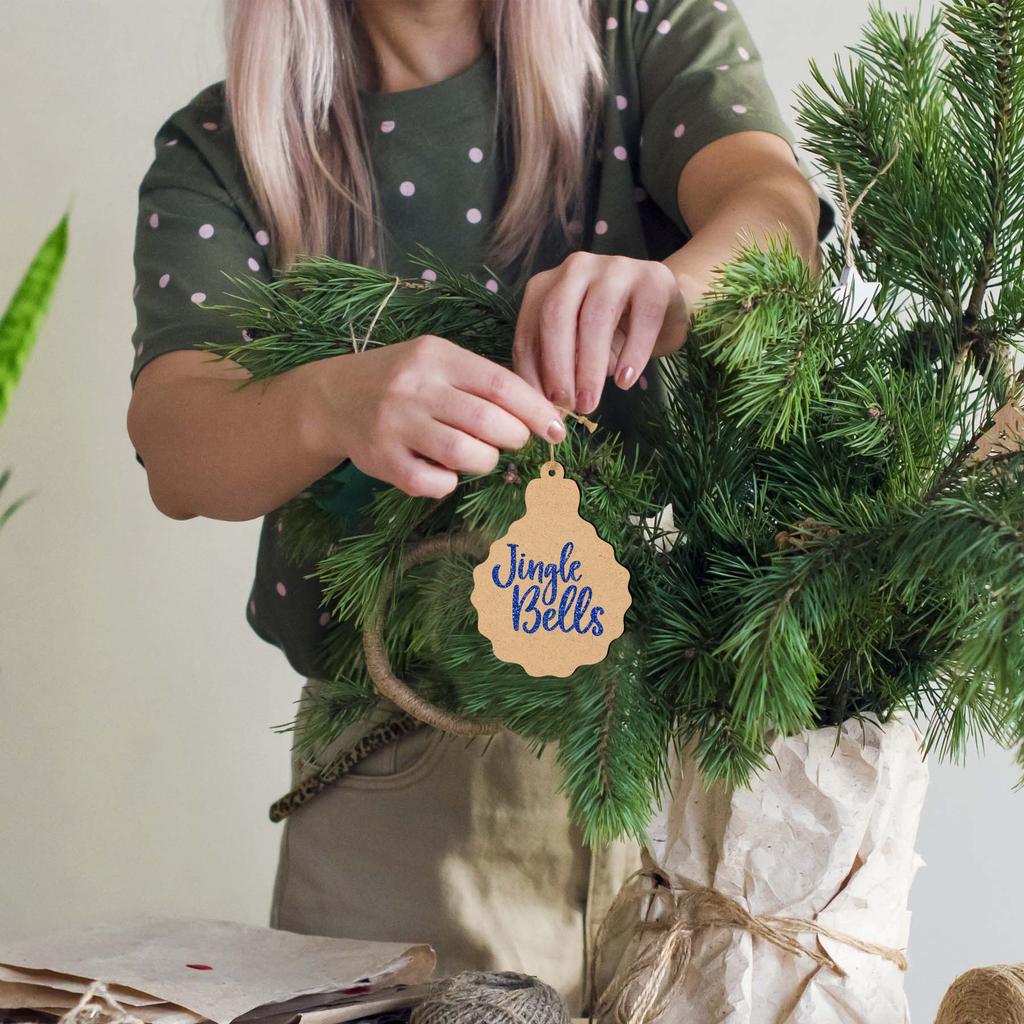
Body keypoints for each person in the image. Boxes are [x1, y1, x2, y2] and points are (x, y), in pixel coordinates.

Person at [127, 0, 829, 1012]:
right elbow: (176, 439)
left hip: (694, 770)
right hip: (398, 785)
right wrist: (329, 399)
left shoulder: (639, 33)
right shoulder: (226, 148)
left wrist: (671, 291)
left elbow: (772, 207)